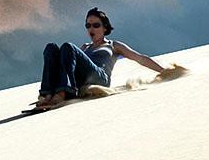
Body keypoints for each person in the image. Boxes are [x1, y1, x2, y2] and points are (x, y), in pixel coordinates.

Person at [37, 7, 166, 107]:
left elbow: (140, 58)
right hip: (82, 80)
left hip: (100, 78)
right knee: (51, 48)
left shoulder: (113, 45)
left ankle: (61, 94)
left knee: (68, 46)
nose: (91, 29)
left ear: (105, 28)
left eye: (96, 25)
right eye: (88, 25)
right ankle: (47, 95)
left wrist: (164, 71)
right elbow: (66, 65)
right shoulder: (85, 47)